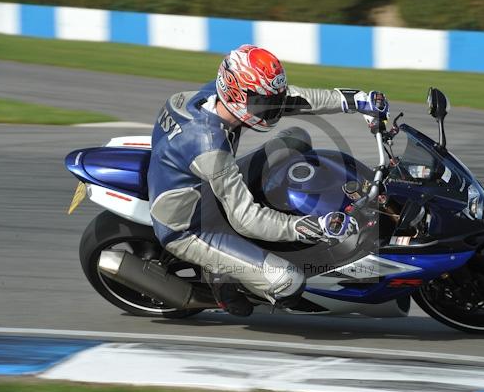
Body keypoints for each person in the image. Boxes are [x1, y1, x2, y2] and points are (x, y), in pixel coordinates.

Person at [148, 44, 389, 316]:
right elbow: (246, 219)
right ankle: (222, 280)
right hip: (189, 226)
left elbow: (294, 98)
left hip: (204, 186)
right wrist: (312, 226)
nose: (272, 109)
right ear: (236, 93)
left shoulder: (211, 96)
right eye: (263, 102)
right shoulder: (208, 144)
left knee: (294, 139)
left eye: (271, 99)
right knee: (289, 281)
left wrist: (355, 100)